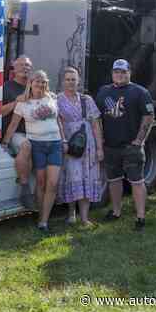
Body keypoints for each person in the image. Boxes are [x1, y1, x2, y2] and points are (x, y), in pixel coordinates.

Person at [2, 70, 67, 233]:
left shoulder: (52, 98)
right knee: (41, 182)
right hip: (37, 145)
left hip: (54, 144)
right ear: (31, 83)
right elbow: (13, 125)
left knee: (52, 183)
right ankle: (40, 216)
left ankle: (44, 220)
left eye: (43, 82)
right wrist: (5, 143)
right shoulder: (23, 103)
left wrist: (64, 139)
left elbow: (58, 120)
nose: (40, 84)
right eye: (37, 81)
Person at [95, 59, 154, 232]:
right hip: (111, 146)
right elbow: (96, 116)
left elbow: (149, 116)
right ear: (112, 73)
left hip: (131, 147)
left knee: (137, 181)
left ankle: (141, 218)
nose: (119, 75)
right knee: (113, 180)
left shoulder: (140, 92)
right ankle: (116, 212)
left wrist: (139, 140)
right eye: (116, 72)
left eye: (123, 72)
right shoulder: (103, 91)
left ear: (129, 73)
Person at [56, 67, 105, 227]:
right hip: (69, 144)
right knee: (71, 177)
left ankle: (84, 218)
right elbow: (57, 122)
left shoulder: (87, 100)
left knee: (87, 178)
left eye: (73, 79)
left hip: (88, 145)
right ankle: (71, 213)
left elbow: (96, 125)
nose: (71, 82)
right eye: (68, 79)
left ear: (78, 81)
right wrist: (63, 141)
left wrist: (99, 148)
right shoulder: (57, 100)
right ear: (63, 81)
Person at [1, 56, 35, 209]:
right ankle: (25, 187)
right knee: (26, 146)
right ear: (13, 68)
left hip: (36, 131)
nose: (24, 68)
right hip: (16, 133)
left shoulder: (35, 87)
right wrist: (17, 102)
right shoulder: (5, 87)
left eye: (27, 65)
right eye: (21, 65)